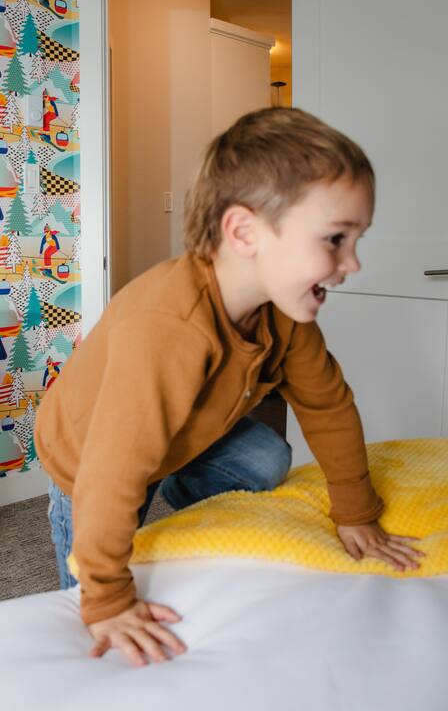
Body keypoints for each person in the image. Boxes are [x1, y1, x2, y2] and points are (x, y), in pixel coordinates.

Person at [35, 106, 426, 669]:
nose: (353, 263)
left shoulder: (284, 313)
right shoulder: (168, 327)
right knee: (92, 606)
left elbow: (329, 406)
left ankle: (179, 492)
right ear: (244, 232)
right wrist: (108, 598)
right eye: (336, 239)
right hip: (89, 458)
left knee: (265, 454)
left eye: (356, 239)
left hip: (181, 431)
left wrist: (355, 511)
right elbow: (113, 469)